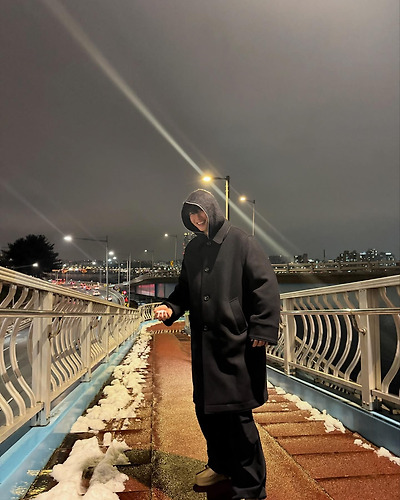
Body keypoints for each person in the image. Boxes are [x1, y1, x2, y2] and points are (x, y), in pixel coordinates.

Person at [154, 189, 280, 500]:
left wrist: (263, 327)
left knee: (237, 417)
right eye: (190, 215)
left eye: (200, 212)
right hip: (204, 345)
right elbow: (184, 289)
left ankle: (250, 487)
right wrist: (171, 307)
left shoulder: (241, 241)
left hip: (236, 344)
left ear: (212, 210)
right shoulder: (194, 248)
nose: (196, 219)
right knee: (207, 411)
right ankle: (221, 466)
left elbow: (265, 285)